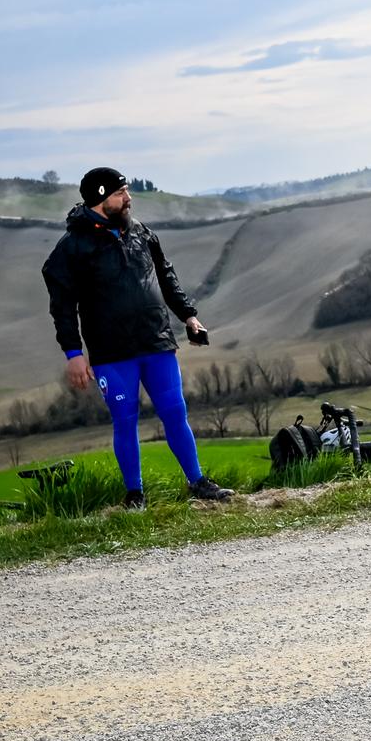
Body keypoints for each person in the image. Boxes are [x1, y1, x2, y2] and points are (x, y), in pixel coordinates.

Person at [41, 167, 232, 509]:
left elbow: (166, 274)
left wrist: (188, 315)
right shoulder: (72, 248)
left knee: (175, 411)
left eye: (127, 191)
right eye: (120, 194)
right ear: (101, 199)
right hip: (111, 353)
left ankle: (198, 481)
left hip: (156, 341)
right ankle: (135, 494)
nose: (128, 199)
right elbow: (62, 306)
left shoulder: (141, 232)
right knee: (125, 419)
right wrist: (73, 352)